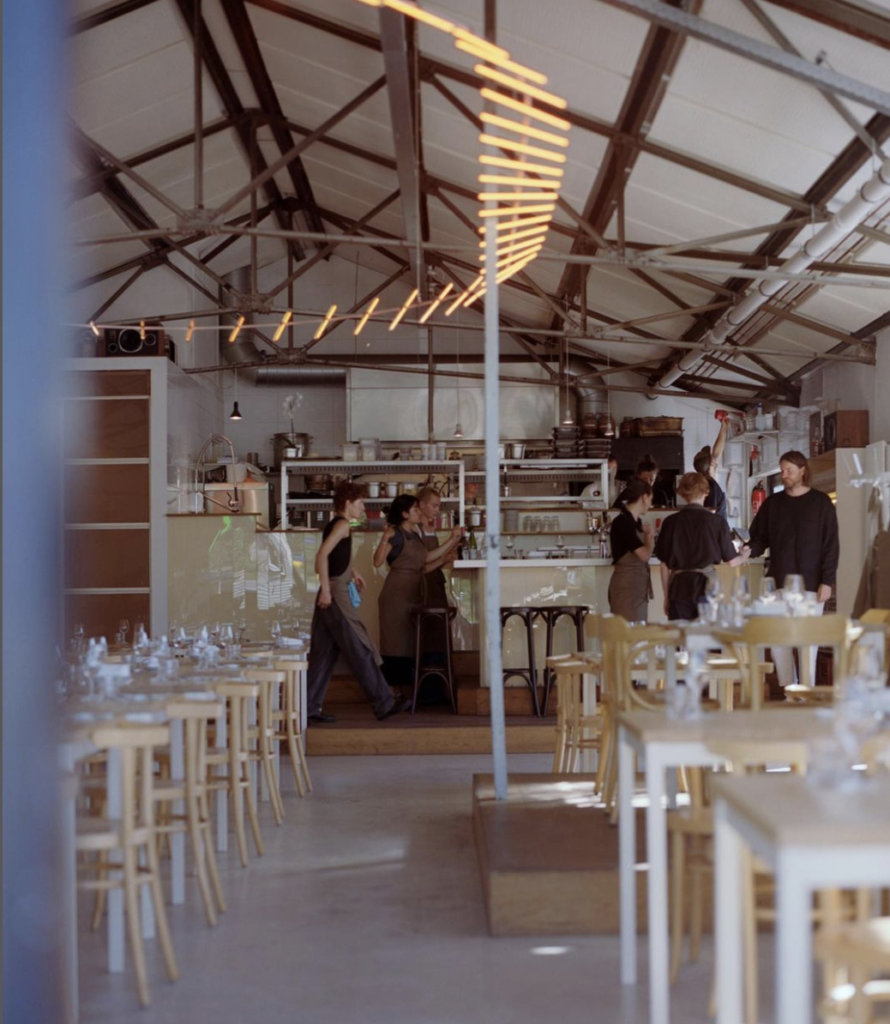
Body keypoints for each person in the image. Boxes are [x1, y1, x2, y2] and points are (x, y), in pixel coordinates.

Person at [306, 482, 407, 723]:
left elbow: (333, 556)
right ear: (348, 503)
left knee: (322, 654)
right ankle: (384, 703)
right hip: (335, 594)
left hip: (333, 589)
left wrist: (352, 571)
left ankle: (308, 707)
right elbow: (321, 556)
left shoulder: (338, 524)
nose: (363, 507)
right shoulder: (342, 525)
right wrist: (327, 591)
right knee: (359, 647)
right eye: (360, 503)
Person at [747, 450, 839, 686]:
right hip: (778, 584)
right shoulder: (772, 504)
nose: (784, 475)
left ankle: (805, 693)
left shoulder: (821, 503)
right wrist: (746, 551)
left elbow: (831, 545)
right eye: (782, 470)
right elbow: (759, 538)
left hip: (812, 585)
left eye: (789, 470)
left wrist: (827, 581)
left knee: (808, 643)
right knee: (779, 642)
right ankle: (790, 692)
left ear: (802, 471)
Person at [374, 494, 461, 689]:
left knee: (410, 644)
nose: (418, 512)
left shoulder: (414, 534)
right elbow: (377, 561)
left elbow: (425, 562)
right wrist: (384, 538)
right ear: (405, 514)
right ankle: (392, 693)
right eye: (414, 509)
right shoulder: (395, 534)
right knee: (395, 644)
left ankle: (407, 693)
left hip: (413, 592)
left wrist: (446, 554)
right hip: (396, 595)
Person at [654, 472, 750, 620]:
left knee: (681, 632)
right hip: (708, 586)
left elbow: (664, 565)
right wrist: (744, 556)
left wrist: (666, 597)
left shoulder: (670, 522)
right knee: (707, 632)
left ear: (683, 494)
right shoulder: (717, 522)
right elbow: (732, 561)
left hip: (679, 588)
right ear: (706, 492)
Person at [608, 478, 654, 622]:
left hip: (636, 585)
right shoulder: (623, 523)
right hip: (627, 586)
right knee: (627, 630)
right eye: (650, 499)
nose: (650, 504)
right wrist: (649, 538)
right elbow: (645, 555)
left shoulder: (635, 522)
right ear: (644, 497)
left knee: (637, 629)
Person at [692, 413, 728, 520]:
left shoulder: (702, 482)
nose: (714, 458)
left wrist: (724, 428)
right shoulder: (711, 486)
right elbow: (711, 513)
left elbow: (716, 454)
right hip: (715, 528)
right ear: (711, 464)